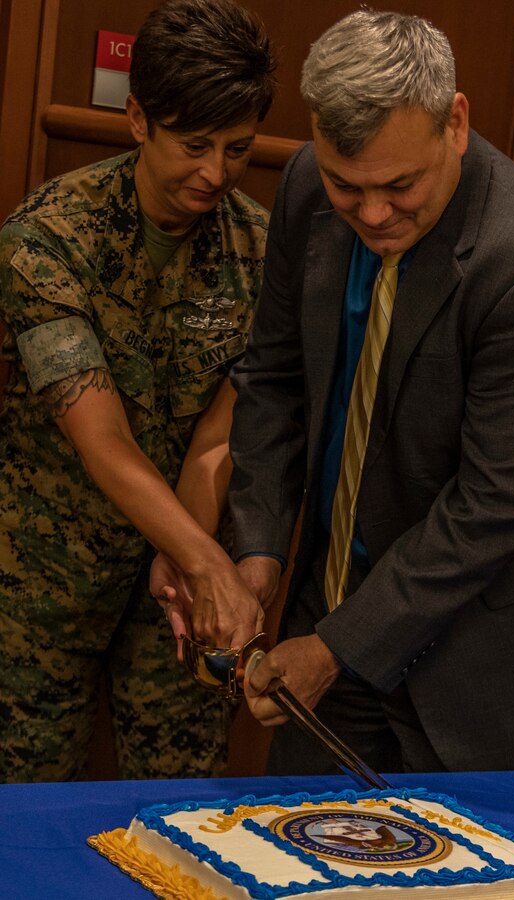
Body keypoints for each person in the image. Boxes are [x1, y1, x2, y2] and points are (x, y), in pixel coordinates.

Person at [223, 9, 514, 774]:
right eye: (350, 186)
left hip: (469, 665)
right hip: (326, 621)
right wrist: (257, 550)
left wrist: (340, 646)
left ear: (455, 122)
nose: (373, 215)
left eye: (399, 185)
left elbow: (497, 504)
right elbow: (273, 379)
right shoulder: (306, 190)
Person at [0, 0, 275, 783]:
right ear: (137, 120)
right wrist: (206, 564)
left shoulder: (260, 251)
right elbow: (101, 437)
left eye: (237, 148)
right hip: (45, 574)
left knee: (181, 802)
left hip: (182, 587)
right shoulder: (49, 237)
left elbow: (221, 431)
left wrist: (187, 558)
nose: (215, 173)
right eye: (194, 145)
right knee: (23, 805)